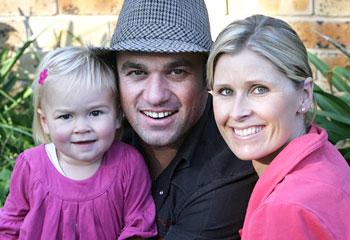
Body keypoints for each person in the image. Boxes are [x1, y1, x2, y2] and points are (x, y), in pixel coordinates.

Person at [99, 0, 258, 239]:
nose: (155, 96)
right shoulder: (98, 139)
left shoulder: (229, 171)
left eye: (177, 72)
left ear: (208, 77)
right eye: (137, 73)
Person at [207, 14, 350, 239]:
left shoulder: (285, 209)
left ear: (304, 95)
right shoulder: (324, 157)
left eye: (259, 89)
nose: (237, 112)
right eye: (226, 91)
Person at [0, 46, 157, 239]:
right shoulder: (31, 166)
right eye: (66, 116)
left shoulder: (128, 164)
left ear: (117, 115)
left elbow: (138, 226)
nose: (81, 128)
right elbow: (11, 224)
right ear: (45, 122)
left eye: (95, 113)